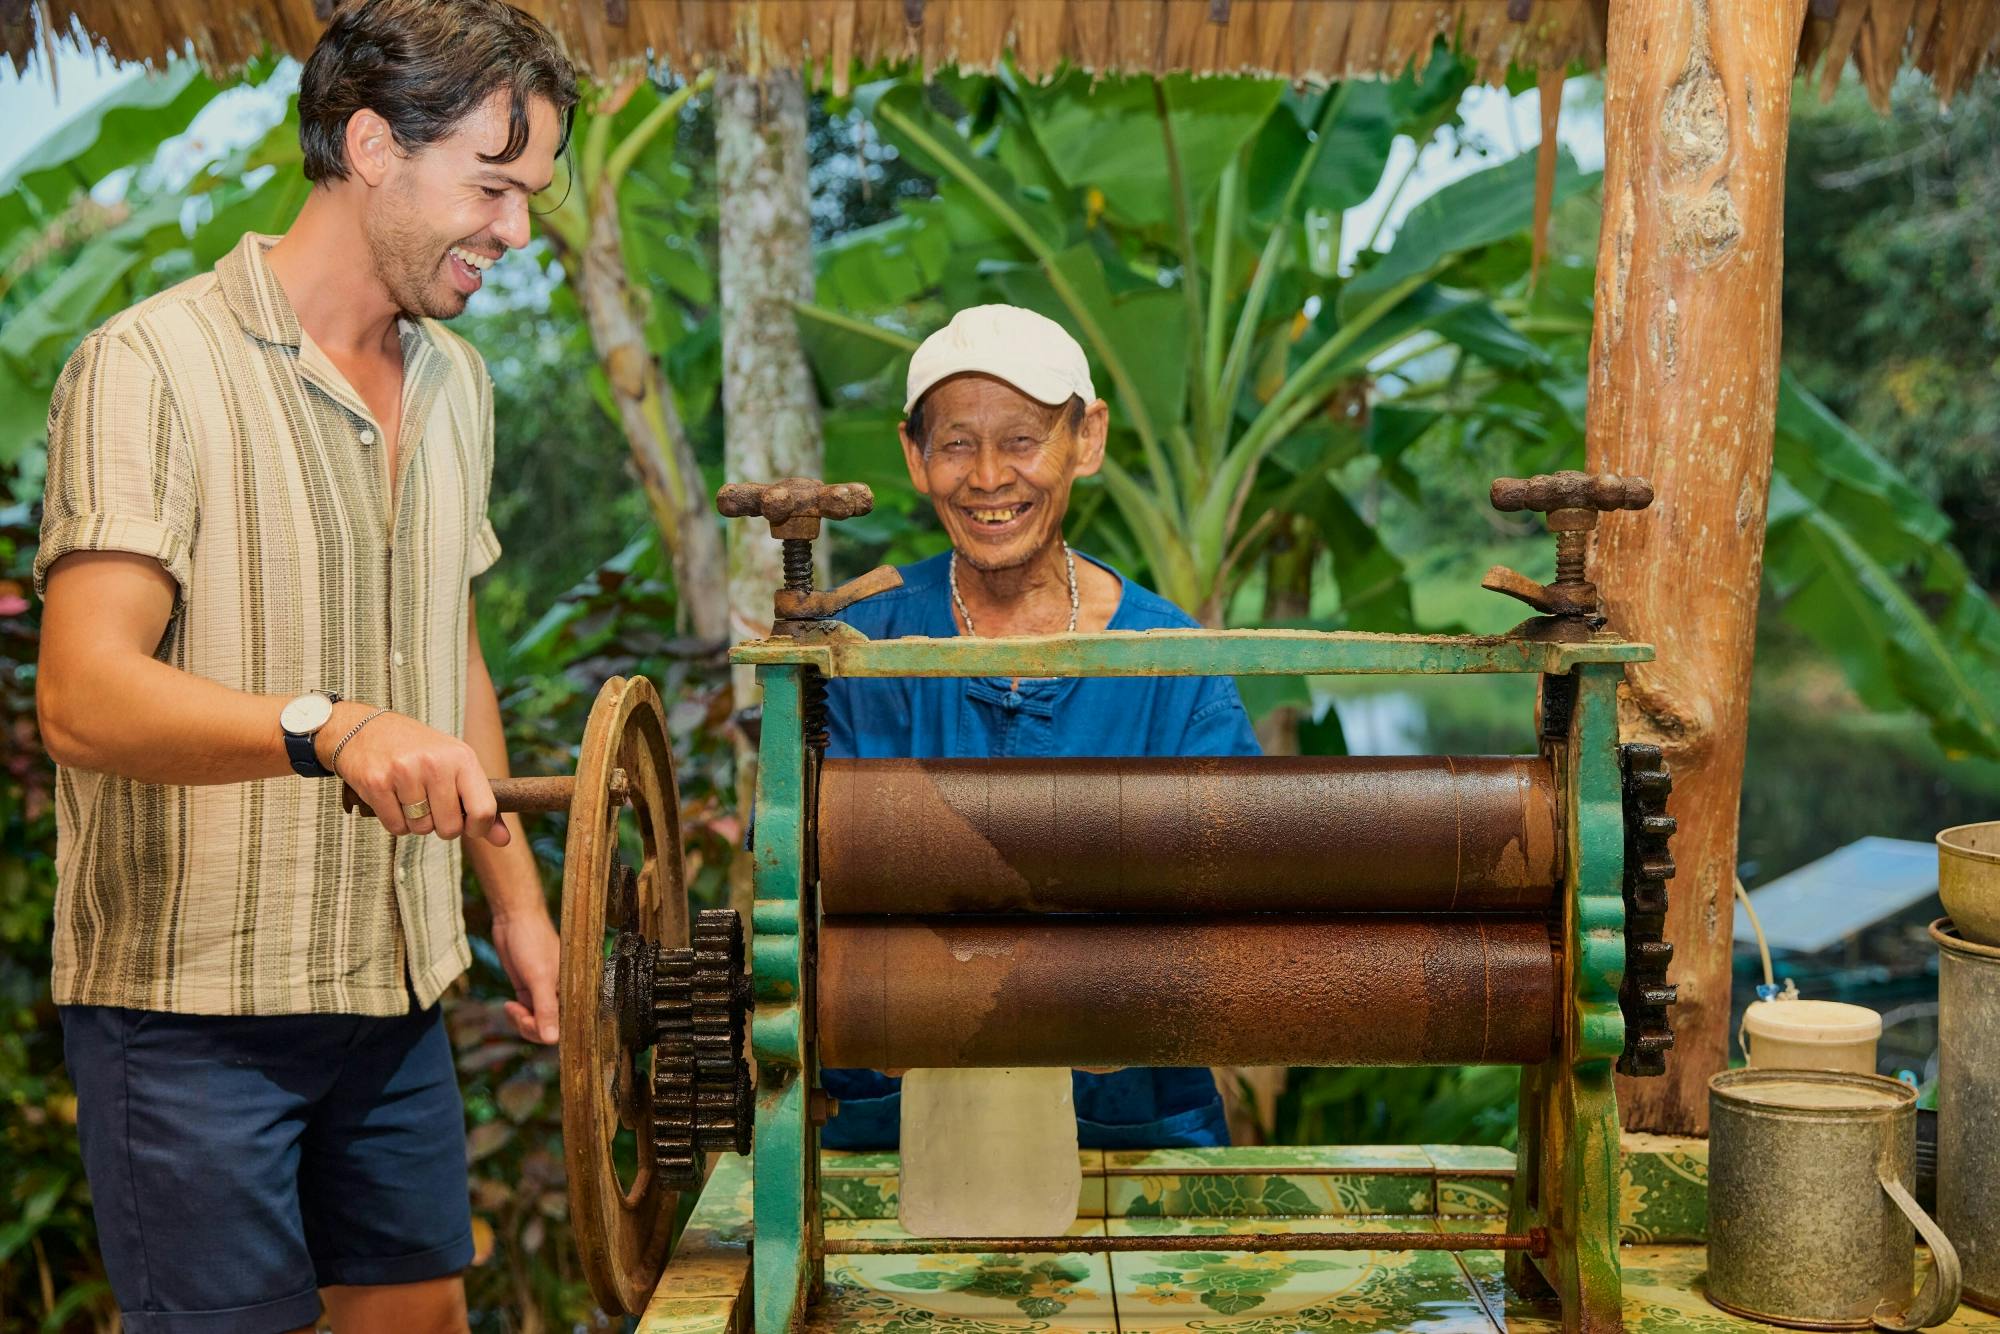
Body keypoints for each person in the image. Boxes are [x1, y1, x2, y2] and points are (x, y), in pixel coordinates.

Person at [33, 3, 576, 1329]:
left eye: (530, 196)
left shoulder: (458, 383)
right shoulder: (153, 365)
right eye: (494, 187)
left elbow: (446, 649)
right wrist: (325, 725)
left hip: (390, 984)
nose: (516, 231)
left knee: (422, 1318)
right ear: (376, 144)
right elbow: (82, 694)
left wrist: (511, 896)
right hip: (189, 1011)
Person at [820, 304, 1260, 1150]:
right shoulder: (857, 652)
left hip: (1130, 1129)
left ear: (1085, 440)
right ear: (915, 455)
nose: (989, 476)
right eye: (955, 444)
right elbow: (798, 885)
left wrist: (1116, 1007)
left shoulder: (1173, 665)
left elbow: (1237, 901)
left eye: (1023, 439)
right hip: (885, 1125)